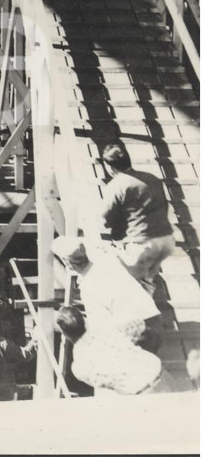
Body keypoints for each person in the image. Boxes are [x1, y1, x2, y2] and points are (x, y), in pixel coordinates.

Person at [51, 236, 162, 351]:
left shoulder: (88, 286)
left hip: (136, 331)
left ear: (69, 264)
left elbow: (99, 326)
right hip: (154, 320)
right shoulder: (108, 264)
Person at [99, 143, 175, 291]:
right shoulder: (152, 178)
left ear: (109, 166)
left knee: (127, 287)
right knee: (145, 283)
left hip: (142, 244)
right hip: (165, 241)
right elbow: (164, 207)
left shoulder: (116, 185)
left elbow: (105, 220)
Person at [55, 306, 166, 395]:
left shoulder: (79, 367)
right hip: (160, 373)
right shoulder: (106, 329)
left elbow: (107, 384)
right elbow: (140, 325)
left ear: (64, 334)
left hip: (143, 392)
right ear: (84, 320)